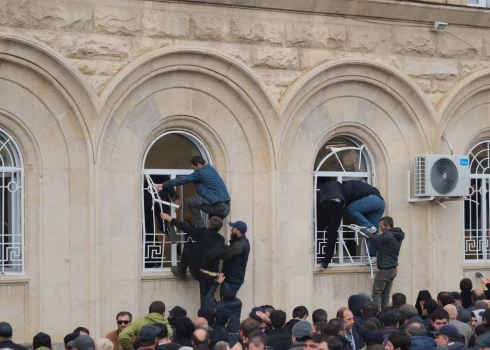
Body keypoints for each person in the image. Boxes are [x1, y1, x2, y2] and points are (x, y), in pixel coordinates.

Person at [161, 213, 225, 299]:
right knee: (207, 298)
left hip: (199, 272)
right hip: (212, 274)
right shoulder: (221, 239)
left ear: (208, 225)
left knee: (188, 245)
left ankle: (181, 271)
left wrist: (169, 218)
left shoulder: (201, 232)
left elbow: (186, 228)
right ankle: (207, 310)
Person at [159, 156, 230, 229]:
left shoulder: (201, 172)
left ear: (199, 165)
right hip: (226, 207)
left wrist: (163, 184)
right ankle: (206, 234)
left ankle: (201, 228)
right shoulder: (210, 170)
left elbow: (183, 179)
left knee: (191, 201)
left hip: (218, 206)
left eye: (194, 168)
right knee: (212, 230)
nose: (194, 171)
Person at [360, 216, 404, 312]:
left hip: (385, 270)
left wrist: (363, 230)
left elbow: (374, 239)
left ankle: (376, 314)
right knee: (385, 294)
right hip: (392, 269)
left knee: (377, 293)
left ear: (388, 226)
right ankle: (385, 313)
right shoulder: (396, 235)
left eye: (381, 226)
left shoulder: (388, 236)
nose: (380, 228)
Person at [340, 180, 385, 262]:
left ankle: (368, 226)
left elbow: (347, 193)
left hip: (373, 200)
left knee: (351, 208)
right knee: (374, 233)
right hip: (381, 203)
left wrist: (344, 204)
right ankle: (372, 256)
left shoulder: (345, 185)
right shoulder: (357, 185)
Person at [201, 273, 243, 344]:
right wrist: (224, 283)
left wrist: (217, 283)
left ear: (222, 297)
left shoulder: (218, 306)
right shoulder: (239, 303)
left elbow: (207, 297)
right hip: (235, 335)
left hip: (221, 334)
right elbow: (230, 295)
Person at [316, 180, 345, 270]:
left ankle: (319, 256)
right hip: (338, 205)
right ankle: (326, 261)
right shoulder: (340, 186)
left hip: (326, 204)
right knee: (332, 234)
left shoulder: (321, 186)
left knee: (320, 229)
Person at [219, 221, 250, 295]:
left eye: (233, 228)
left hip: (232, 280)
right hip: (233, 278)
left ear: (238, 232)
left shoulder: (239, 245)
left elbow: (225, 255)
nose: (231, 230)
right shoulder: (242, 241)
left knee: (227, 304)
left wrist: (218, 244)